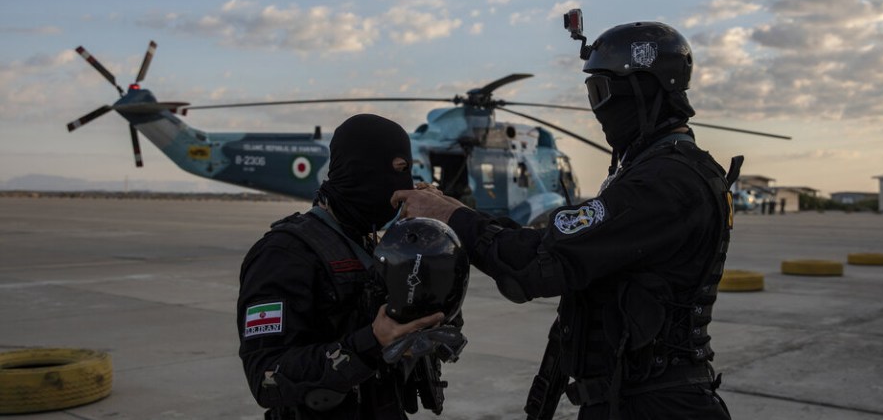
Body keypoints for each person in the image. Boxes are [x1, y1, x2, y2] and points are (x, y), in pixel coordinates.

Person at [393, 21, 741, 420]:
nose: (598, 109)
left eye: (600, 92)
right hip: (634, 399)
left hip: (652, 406)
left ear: (641, 90)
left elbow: (536, 263)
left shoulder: (662, 183)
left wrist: (451, 217)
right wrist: (461, 213)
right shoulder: (668, 174)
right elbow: (566, 257)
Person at [237, 114, 452, 420]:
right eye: (398, 172)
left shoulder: (375, 245)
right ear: (359, 171)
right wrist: (371, 343)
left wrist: (432, 249)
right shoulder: (283, 254)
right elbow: (266, 378)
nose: (404, 186)